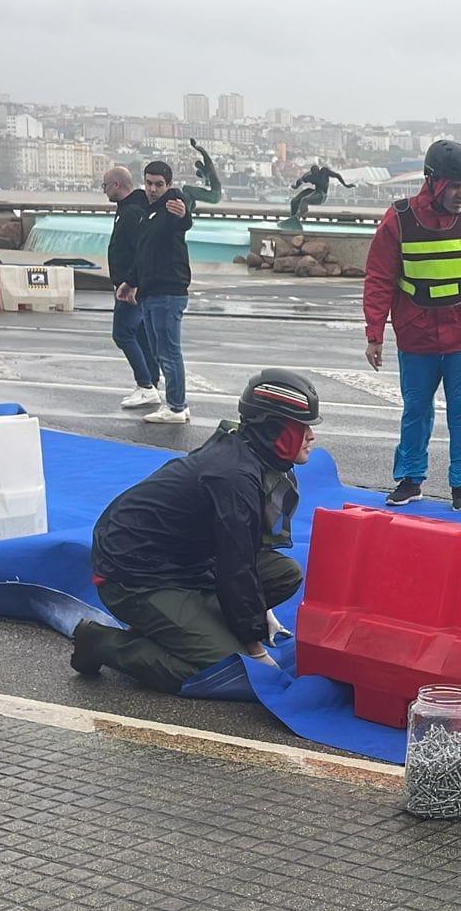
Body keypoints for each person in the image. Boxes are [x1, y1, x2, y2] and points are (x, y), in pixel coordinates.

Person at [71, 370, 322, 692]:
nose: (312, 436)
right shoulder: (233, 477)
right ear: (275, 429)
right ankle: (102, 642)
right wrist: (253, 647)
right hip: (135, 575)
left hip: (184, 563)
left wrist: (260, 611)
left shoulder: (248, 450)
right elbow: (236, 567)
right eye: (303, 427)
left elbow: (244, 555)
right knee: (229, 671)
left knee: (284, 573)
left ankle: (180, 626)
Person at [363, 139, 461, 512]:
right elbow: (379, 278)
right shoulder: (398, 218)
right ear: (432, 182)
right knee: (415, 407)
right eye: (453, 186)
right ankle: (410, 480)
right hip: (415, 331)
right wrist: (375, 335)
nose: (460, 194)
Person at [132, 160, 195, 426]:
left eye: (159, 184)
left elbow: (183, 220)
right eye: (149, 183)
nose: (153, 188)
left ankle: (177, 407)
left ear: (168, 185)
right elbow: (145, 252)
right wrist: (131, 282)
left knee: (169, 351)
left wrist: (184, 214)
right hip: (151, 290)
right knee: (161, 351)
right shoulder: (150, 211)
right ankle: (176, 403)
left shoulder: (172, 204)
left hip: (168, 291)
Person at [101, 164, 162, 411]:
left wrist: (132, 283)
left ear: (116, 185)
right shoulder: (128, 209)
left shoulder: (131, 212)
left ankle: (145, 385)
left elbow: (142, 251)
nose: (103, 190)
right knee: (141, 335)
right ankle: (152, 383)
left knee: (123, 334)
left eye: (105, 186)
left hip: (130, 286)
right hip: (129, 283)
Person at [289, 162, 353, 223]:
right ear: (311, 172)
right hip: (316, 191)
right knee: (294, 201)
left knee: (304, 200)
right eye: (313, 173)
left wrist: (345, 185)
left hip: (322, 195)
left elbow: (337, 175)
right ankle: (292, 218)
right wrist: (296, 186)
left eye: (316, 172)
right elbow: (300, 180)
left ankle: (299, 215)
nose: (315, 174)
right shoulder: (310, 176)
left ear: (318, 171)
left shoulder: (324, 172)